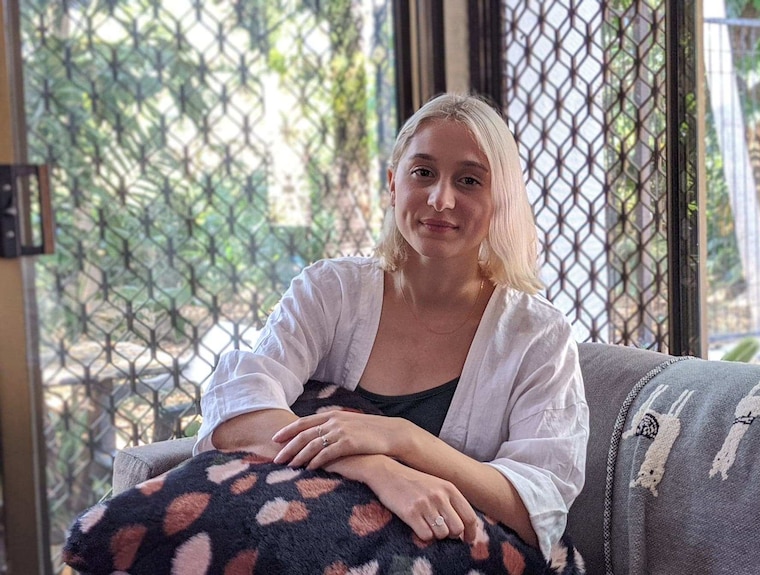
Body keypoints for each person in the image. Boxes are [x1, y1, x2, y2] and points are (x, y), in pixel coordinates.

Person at [193, 92, 589, 559]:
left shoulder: (538, 336)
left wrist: (404, 438)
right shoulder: (330, 291)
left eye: (468, 180)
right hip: (301, 540)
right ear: (392, 184)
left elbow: (537, 505)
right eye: (423, 173)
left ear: (500, 199)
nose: (441, 199)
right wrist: (378, 468)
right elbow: (238, 410)